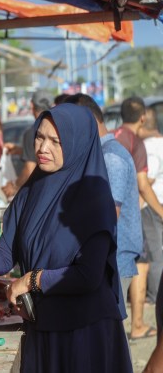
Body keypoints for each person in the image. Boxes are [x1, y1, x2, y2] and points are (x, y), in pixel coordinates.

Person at [0, 104, 132, 372]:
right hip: (41, 328)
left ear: (78, 144)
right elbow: (4, 257)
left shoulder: (94, 198)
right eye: (40, 137)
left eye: (56, 141)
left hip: (83, 336)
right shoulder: (32, 190)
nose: (43, 148)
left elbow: (88, 276)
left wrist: (31, 280)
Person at [65, 94, 142, 330]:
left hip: (114, 260)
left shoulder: (111, 157)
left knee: (109, 335)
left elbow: (110, 215)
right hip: (109, 259)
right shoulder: (102, 154)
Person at [113, 96, 163, 339]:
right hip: (130, 218)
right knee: (140, 265)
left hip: (112, 216)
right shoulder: (136, 142)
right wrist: (161, 211)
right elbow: (143, 185)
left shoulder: (113, 137)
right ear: (142, 117)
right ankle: (137, 324)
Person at [2, 90, 52, 199]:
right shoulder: (58, 128)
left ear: (31, 105)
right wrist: (20, 150)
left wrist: (15, 186)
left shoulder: (33, 132)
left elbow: (30, 169)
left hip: (39, 193)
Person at [139, 108, 163, 305]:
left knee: (156, 255)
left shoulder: (148, 147)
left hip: (152, 206)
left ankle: (155, 297)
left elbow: (147, 181)